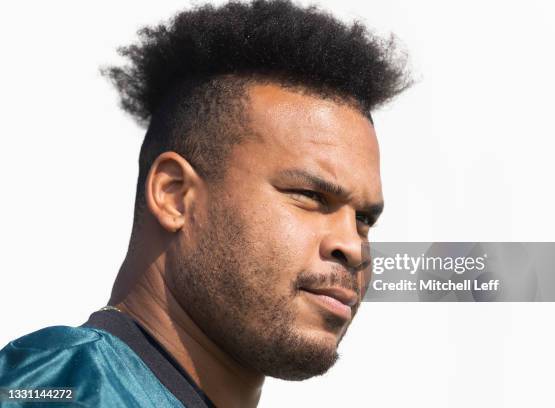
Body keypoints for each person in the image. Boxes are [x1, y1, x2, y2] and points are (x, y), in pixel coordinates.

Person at [0, 0, 410, 406]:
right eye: (310, 196)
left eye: (363, 219)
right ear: (174, 195)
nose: (354, 247)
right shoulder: (59, 388)